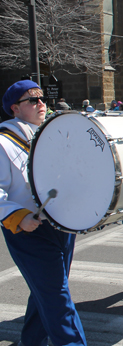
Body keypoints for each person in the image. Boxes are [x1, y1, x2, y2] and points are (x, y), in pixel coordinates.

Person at [1, 80, 87, 345]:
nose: (41, 104)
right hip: (28, 229)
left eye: (42, 99)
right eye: (32, 100)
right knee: (57, 297)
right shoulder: (4, 142)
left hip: (61, 225)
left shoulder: (51, 136)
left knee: (47, 292)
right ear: (15, 109)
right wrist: (18, 217)